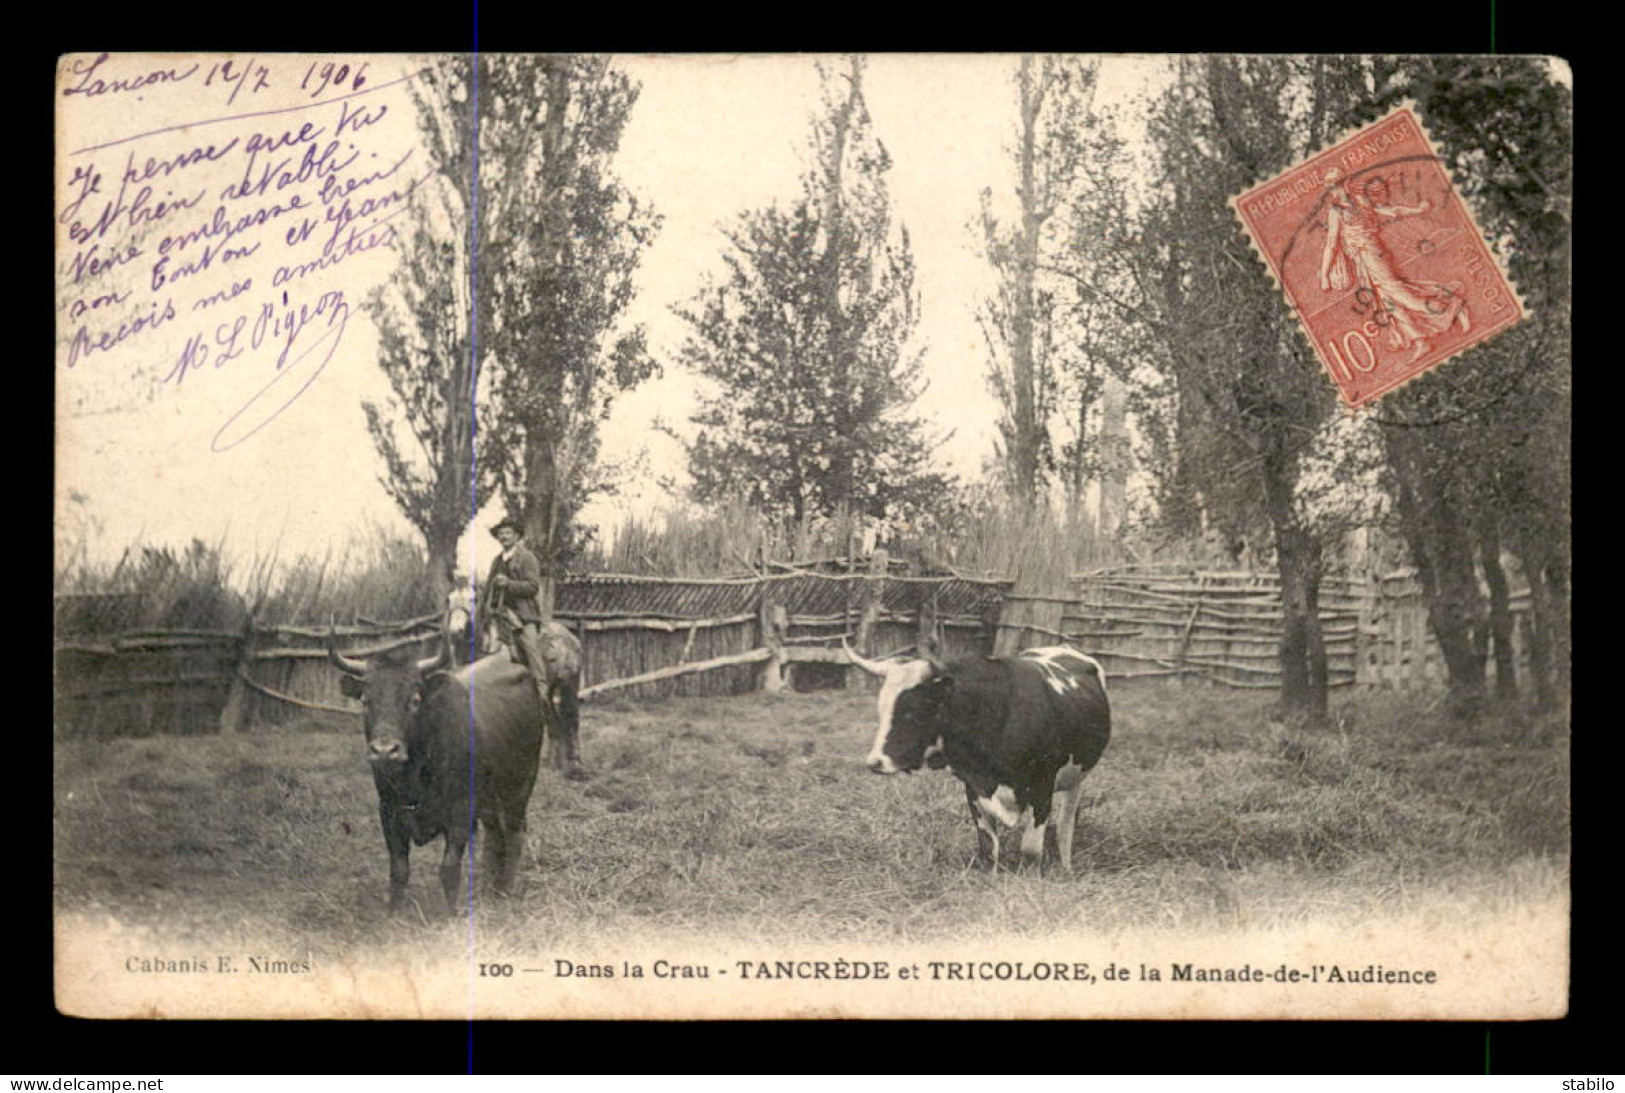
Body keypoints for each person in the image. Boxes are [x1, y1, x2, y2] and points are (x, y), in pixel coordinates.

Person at [1318, 168, 1471, 365]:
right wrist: (1419, 210)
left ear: (1333, 185)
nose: (1331, 188)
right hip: (1368, 257)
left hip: (1370, 256)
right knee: (1386, 301)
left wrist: (1324, 275)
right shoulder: (1360, 199)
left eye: (1330, 184)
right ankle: (1419, 341)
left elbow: (1332, 244)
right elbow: (1392, 211)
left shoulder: (1337, 210)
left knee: (1399, 294)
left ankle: (1452, 307)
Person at [480, 516, 587, 779]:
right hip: (500, 614)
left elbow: (532, 586)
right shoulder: (496, 561)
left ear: (517, 536)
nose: (504, 537)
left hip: (524, 616)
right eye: (501, 533)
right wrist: (484, 607)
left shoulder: (526, 558)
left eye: (508, 533)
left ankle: (539, 685)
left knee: (530, 646)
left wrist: (509, 585)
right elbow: (488, 589)